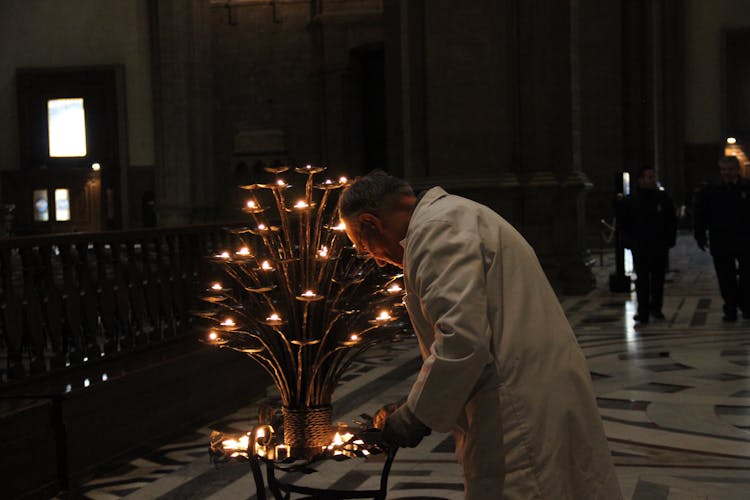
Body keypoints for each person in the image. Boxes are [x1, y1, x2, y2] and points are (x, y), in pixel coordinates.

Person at [339, 171, 622, 500]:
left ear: (372, 223)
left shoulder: (435, 232)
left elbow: (461, 340)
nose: (376, 259)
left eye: (364, 247)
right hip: (531, 386)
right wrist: (415, 400)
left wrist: (412, 417)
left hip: (514, 405)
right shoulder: (456, 216)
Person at [694, 155, 750, 321]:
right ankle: (730, 308)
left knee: (747, 275)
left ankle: (746, 305)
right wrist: (700, 234)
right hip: (721, 240)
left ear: (737, 170)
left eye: (730, 169)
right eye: (724, 170)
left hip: (745, 240)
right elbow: (701, 214)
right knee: (726, 277)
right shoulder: (711, 190)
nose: (727, 173)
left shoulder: (747, 188)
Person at [619, 166, 677, 325]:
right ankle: (642, 310)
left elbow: (671, 220)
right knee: (642, 280)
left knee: (658, 279)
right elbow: (624, 223)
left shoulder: (663, 198)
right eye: (648, 177)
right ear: (640, 179)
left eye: (653, 177)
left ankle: (656, 308)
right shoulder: (630, 200)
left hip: (659, 245)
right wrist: (628, 242)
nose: (651, 180)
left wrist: (669, 240)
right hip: (640, 245)